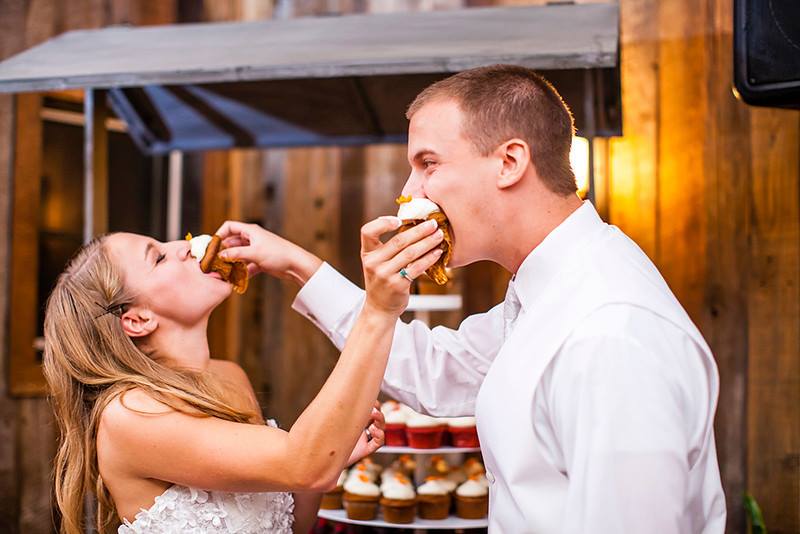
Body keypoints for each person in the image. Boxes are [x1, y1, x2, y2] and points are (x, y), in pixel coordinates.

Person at [217, 65, 727, 533]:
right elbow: (436, 370)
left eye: (428, 164)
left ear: (509, 162)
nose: (410, 191)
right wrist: (297, 266)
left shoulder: (612, 333)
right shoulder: (548, 286)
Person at [42, 217, 444, 534]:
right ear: (137, 319)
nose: (185, 246)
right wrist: (377, 309)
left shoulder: (229, 378)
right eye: (159, 257)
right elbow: (302, 464)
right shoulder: (129, 414)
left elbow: (288, 522)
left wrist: (332, 456)